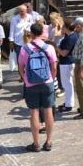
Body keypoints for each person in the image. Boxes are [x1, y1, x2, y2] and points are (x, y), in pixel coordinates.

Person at [18, 23, 58, 152]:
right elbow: (54, 66)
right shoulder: (49, 48)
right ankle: (49, 142)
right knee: (48, 111)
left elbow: (21, 67)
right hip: (47, 83)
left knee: (34, 112)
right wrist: (51, 78)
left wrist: (26, 80)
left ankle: (36, 144)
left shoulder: (25, 48)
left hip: (31, 84)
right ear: (41, 33)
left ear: (31, 33)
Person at [56, 22, 77, 113]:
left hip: (66, 62)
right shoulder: (72, 36)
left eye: (63, 27)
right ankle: (68, 102)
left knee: (67, 84)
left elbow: (64, 53)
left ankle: (68, 105)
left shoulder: (70, 38)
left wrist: (55, 47)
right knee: (68, 84)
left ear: (67, 28)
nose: (62, 28)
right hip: (68, 62)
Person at [48, 12, 65, 97]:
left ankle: (62, 87)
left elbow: (56, 34)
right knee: (54, 68)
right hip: (53, 49)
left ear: (57, 19)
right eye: (50, 20)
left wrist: (57, 25)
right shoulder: (50, 26)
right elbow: (50, 37)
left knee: (59, 69)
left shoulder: (61, 26)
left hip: (60, 49)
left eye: (52, 20)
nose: (51, 22)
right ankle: (56, 86)